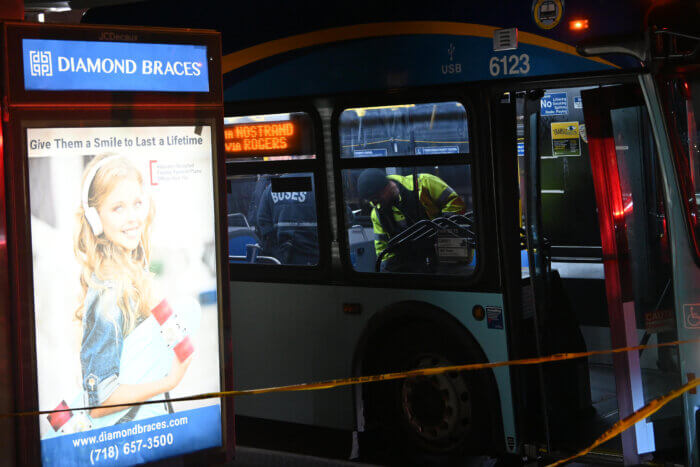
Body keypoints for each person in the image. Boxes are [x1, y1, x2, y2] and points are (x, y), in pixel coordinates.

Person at [73, 154, 196, 427]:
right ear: (95, 218)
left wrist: (153, 295)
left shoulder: (133, 277)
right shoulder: (108, 291)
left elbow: (184, 349)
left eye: (137, 204)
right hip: (128, 438)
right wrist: (169, 381)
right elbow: (98, 402)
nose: (133, 218)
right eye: (118, 208)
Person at [356, 168, 467, 272]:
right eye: (371, 201)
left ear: (387, 187)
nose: (374, 203)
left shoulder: (425, 183)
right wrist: (387, 269)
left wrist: (442, 235)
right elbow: (382, 245)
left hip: (446, 251)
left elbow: (457, 206)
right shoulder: (377, 213)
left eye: (376, 198)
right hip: (414, 264)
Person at [256, 173, 319, 265]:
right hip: (315, 258)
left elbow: (263, 221)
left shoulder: (273, 186)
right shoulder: (319, 182)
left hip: (282, 259)